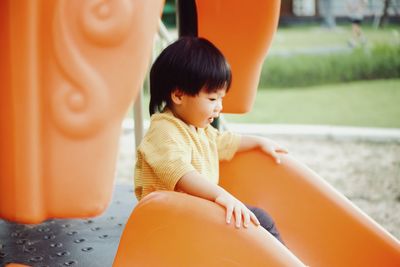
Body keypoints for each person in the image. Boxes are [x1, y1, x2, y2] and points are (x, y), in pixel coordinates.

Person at [134, 36, 287, 243]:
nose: (219, 107)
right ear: (178, 95)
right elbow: (179, 172)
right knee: (258, 222)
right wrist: (219, 195)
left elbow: (224, 142)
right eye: (213, 99)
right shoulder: (163, 130)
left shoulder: (198, 128)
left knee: (258, 221)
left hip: (193, 216)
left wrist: (259, 141)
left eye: (221, 98)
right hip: (169, 223)